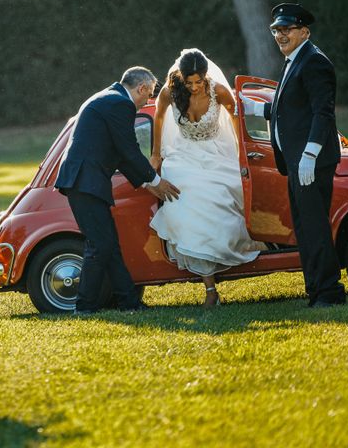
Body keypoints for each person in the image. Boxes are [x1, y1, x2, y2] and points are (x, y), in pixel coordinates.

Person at [239, 3, 346, 308]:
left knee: (315, 227)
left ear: (304, 32)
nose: (280, 35)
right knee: (304, 228)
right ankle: (315, 289)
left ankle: (329, 293)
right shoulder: (294, 60)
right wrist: (251, 107)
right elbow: (288, 110)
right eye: (276, 30)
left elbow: (322, 113)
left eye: (287, 29)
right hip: (297, 163)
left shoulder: (314, 61)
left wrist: (310, 154)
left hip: (310, 163)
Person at [55, 67, 180, 314]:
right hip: (85, 181)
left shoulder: (109, 98)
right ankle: (85, 307)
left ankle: (128, 302)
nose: (149, 100)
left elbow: (121, 155)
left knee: (108, 244)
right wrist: (155, 181)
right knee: (100, 245)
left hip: (84, 180)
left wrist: (147, 182)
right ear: (141, 88)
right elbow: (129, 150)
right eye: (149, 94)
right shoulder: (119, 104)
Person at [149, 49, 264, 307]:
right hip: (183, 155)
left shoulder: (218, 91)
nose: (194, 88)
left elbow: (235, 113)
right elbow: (158, 116)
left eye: (198, 81)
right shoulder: (170, 92)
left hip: (216, 152)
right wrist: (156, 154)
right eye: (188, 82)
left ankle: (238, 248)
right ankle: (210, 287)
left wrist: (239, 149)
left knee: (226, 189)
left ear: (206, 76)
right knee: (185, 197)